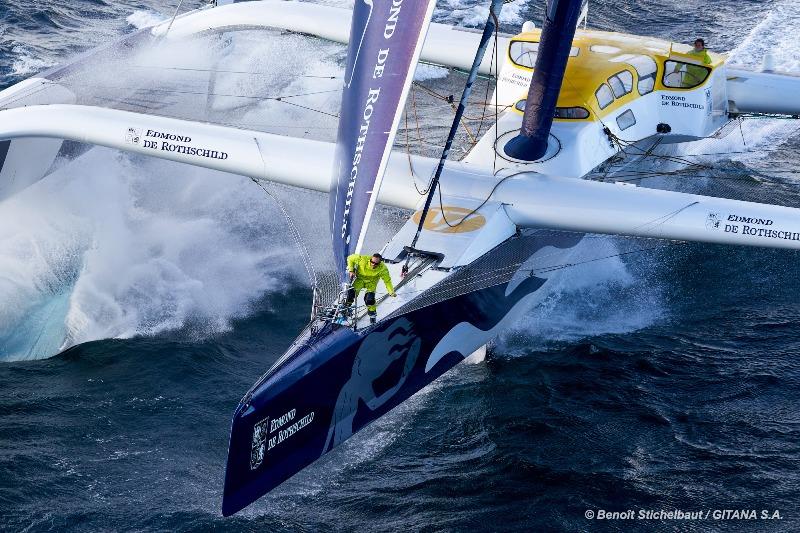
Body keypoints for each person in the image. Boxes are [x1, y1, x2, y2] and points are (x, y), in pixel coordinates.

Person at [345, 252, 396, 324]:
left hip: (371, 283)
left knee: (369, 299)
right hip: (360, 280)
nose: (373, 264)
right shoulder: (362, 259)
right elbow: (350, 258)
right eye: (372, 262)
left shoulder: (383, 268)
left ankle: (372, 315)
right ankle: (346, 309)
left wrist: (391, 291)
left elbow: (387, 281)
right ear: (370, 259)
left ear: (380, 262)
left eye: (376, 264)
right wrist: (351, 270)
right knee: (350, 294)